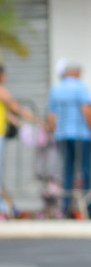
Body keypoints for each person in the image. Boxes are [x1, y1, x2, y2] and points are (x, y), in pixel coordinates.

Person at [47, 61, 91, 219]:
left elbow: (52, 116)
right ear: (75, 73)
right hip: (81, 135)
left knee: (67, 171)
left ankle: (65, 207)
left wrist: (56, 132)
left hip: (62, 136)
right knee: (85, 171)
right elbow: (87, 111)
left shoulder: (56, 89)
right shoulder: (80, 87)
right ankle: (90, 207)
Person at [0, 64, 37, 219]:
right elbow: (16, 108)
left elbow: (8, 114)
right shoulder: (1, 90)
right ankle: (4, 208)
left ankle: (6, 206)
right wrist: (37, 121)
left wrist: (20, 125)